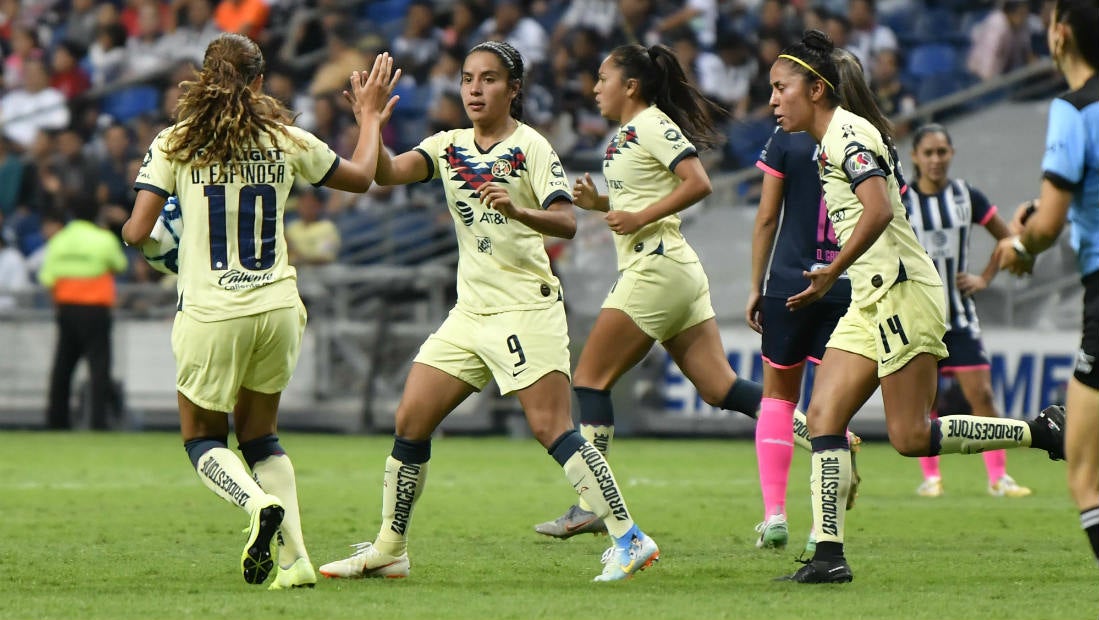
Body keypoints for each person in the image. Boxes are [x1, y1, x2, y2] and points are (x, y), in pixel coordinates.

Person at [318, 41, 659, 583]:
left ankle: (630, 537)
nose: (475, 89)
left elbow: (567, 222)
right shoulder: (447, 146)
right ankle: (390, 548)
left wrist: (518, 208)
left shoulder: (531, 148)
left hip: (525, 307)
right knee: (411, 419)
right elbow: (384, 173)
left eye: (490, 79)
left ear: (513, 88)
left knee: (551, 427)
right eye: (468, 79)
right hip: (470, 312)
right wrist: (369, 120)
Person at [767, 29, 1065, 584]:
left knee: (909, 437)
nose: (772, 100)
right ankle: (829, 556)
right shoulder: (834, 137)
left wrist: (831, 268)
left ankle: (1042, 431)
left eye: (781, 88)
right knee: (825, 420)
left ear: (814, 89)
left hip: (903, 291)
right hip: (869, 295)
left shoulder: (846, 136)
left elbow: (877, 210)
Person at [534, 42, 854, 545]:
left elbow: (698, 181)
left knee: (591, 381)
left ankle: (590, 504)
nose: (594, 87)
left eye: (603, 77)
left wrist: (638, 217)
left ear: (631, 86)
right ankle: (828, 436)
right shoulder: (628, 134)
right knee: (721, 388)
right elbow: (644, 195)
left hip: (655, 268)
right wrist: (604, 204)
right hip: (673, 270)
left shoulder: (652, 124)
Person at [121, 34, 398, 589]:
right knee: (261, 435)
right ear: (258, 82)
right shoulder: (286, 139)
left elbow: (135, 230)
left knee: (202, 436)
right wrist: (368, 116)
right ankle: (295, 562)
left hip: (212, 311)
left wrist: (170, 239)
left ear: (203, 79)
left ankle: (256, 506)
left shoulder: (174, 142)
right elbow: (364, 176)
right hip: (277, 306)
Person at [997, 0, 1099, 571]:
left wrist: (1023, 242)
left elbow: (1051, 223)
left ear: (1061, 35)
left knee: (1085, 475)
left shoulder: (1073, 108)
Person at [904, 123, 1032, 499]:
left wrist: (985, 277)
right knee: (924, 402)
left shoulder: (966, 196)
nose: (935, 160)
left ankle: (998, 477)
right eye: (928, 153)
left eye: (941, 152)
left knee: (983, 396)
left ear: (951, 154)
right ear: (915, 157)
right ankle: (931, 478)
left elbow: (1008, 238)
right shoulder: (902, 199)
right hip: (918, 317)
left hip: (959, 316)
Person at [39, 198, 127, 430]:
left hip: (66, 308)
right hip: (96, 309)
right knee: (99, 367)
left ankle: (56, 421)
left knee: (63, 367)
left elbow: (48, 277)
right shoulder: (104, 239)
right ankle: (98, 421)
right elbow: (119, 265)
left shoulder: (59, 240)